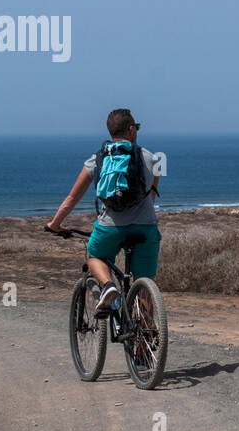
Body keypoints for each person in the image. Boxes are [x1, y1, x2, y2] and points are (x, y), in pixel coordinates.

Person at [47, 109, 161, 311]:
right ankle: (147, 337)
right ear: (132, 129)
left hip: (111, 228)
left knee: (94, 256)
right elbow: (151, 198)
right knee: (144, 285)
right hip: (145, 228)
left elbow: (72, 198)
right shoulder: (152, 159)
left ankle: (108, 287)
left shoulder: (97, 160)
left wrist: (55, 224)